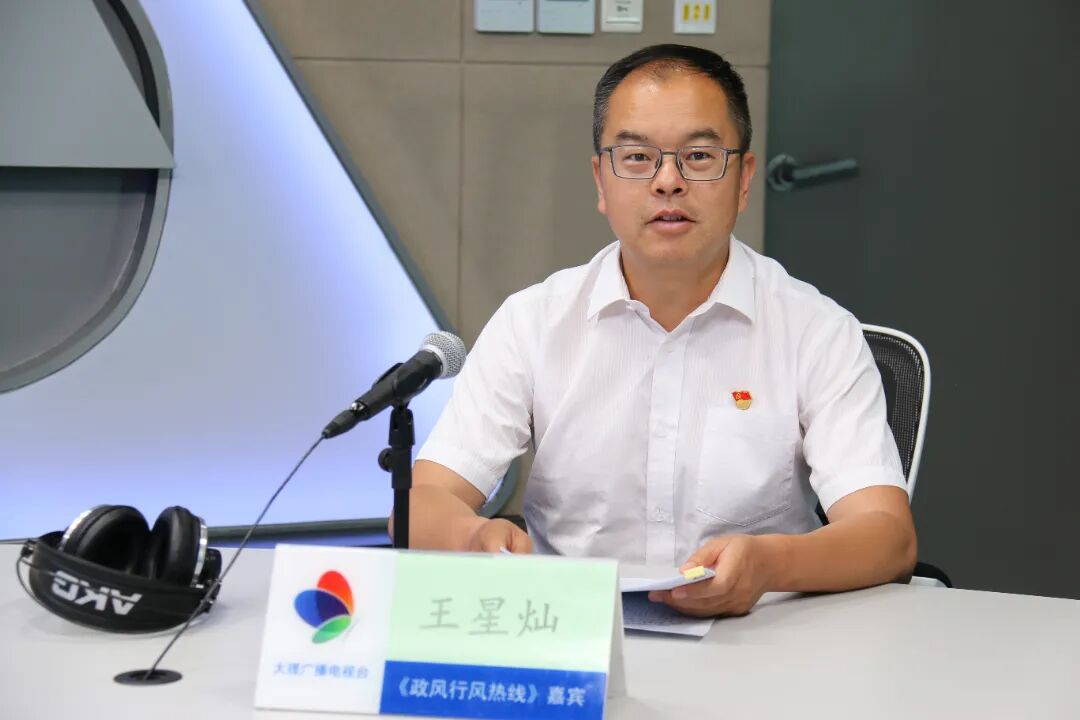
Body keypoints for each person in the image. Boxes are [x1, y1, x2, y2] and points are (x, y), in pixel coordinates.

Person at [393, 44, 917, 618]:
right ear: (601, 180)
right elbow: (424, 502)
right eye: (637, 157)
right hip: (570, 631)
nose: (668, 181)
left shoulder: (816, 329)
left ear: (744, 178)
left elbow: (887, 535)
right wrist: (474, 538)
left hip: (760, 631)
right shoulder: (533, 322)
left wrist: (771, 564)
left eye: (699, 156)